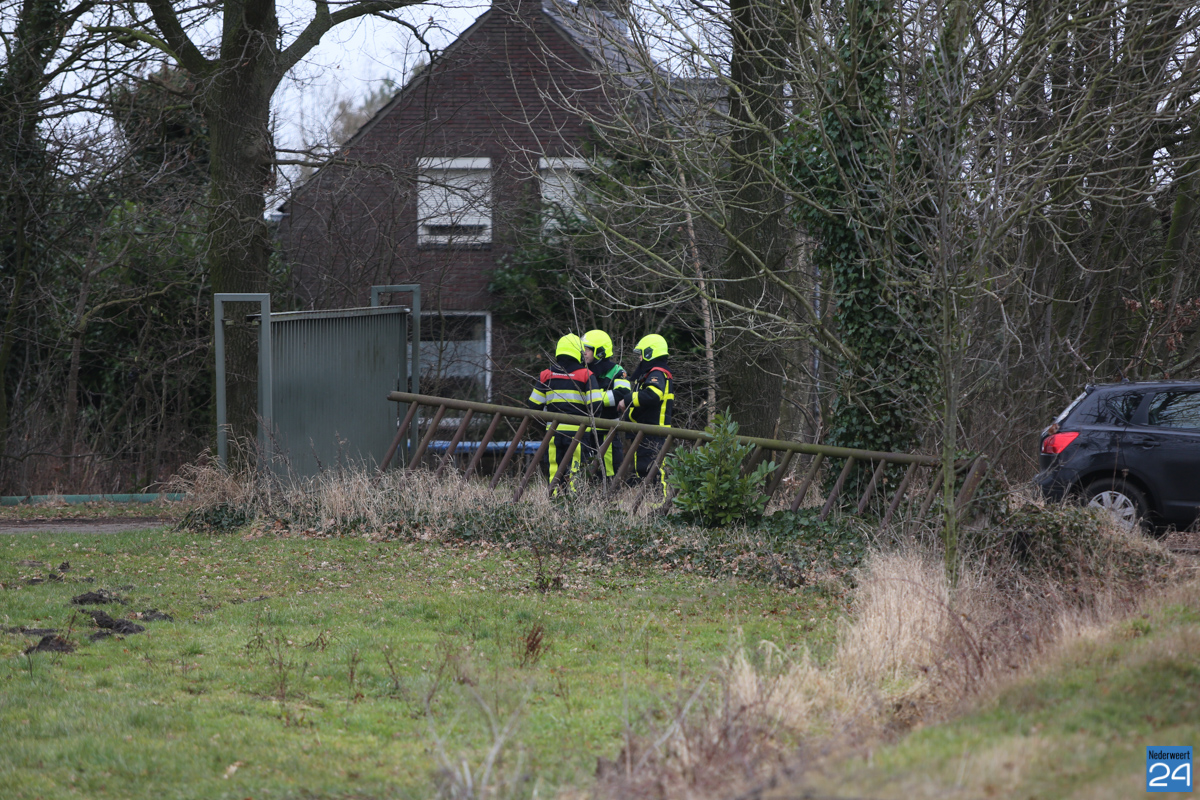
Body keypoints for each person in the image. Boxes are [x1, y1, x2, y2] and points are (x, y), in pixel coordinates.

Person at [528, 333, 603, 490]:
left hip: (553, 432)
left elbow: (534, 405)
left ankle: (554, 498)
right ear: (579, 352)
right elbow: (596, 406)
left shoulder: (546, 374)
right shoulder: (586, 375)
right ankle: (573, 501)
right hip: (579, 433)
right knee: (575, 470)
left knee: (554, 470)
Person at [626, 333, 674, 494]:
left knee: (654, 471)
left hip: (654, 432)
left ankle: (659, 504)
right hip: (646, 431)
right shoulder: (652, 373)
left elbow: (653, 395)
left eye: (641, 354)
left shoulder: (657, 373)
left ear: (649, 353)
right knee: (643, 470)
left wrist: (627, 400)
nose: (639, 358)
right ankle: (646, 503)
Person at [582, 329, 632, 480]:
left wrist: (593, 399)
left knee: (608, 476)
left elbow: (622, 394)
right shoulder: (581, 370)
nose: (584, 352)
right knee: (584, 476)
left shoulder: (617, 371)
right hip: (584, 433)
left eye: (588, 349)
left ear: (600, 352)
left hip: (607, 433)